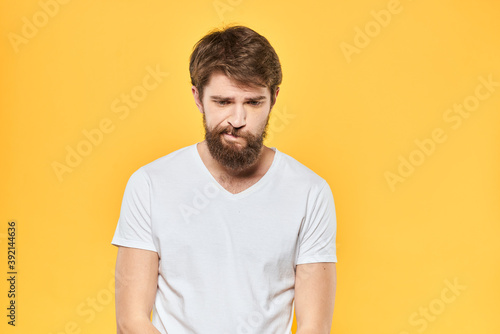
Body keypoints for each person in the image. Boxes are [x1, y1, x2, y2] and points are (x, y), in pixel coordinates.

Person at [111, 24, 337, 334]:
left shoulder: (310, 192)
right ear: (198, 97)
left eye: (253, 103)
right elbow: (131, 320)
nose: (238, 120)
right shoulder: (149, 184)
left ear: (274, 99)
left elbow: (314, 327)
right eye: (223, 102)